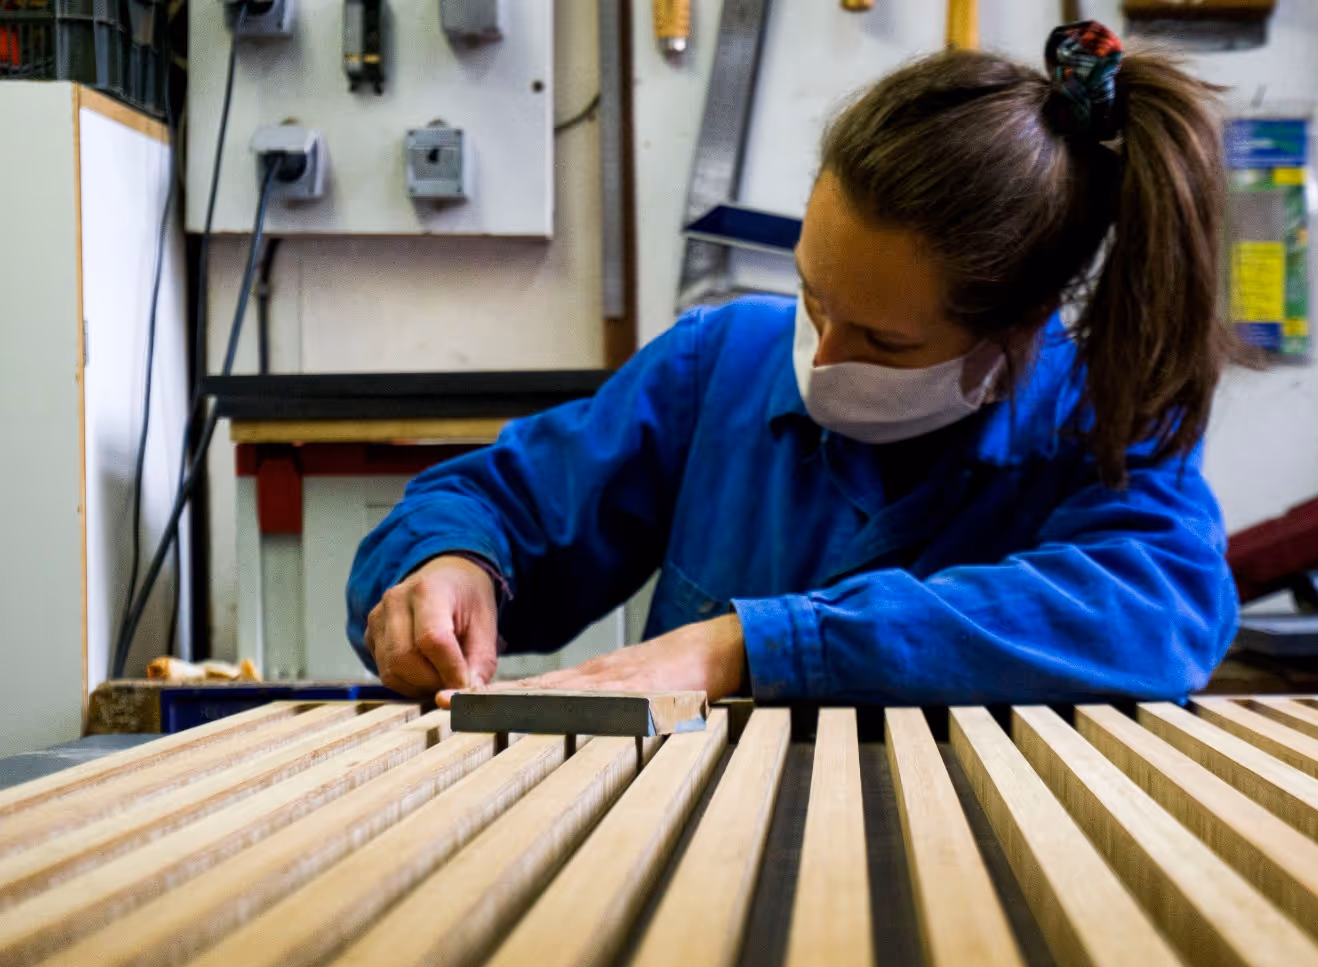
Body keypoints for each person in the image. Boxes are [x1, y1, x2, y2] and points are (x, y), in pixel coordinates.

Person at [348, 22, 1247, 709]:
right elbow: (490, 503)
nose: (823, 356)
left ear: (1018, 328)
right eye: (814, 297)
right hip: (703, 858)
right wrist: (454, 562)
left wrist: (749, 647)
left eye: (886, 342)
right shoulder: (719, 366)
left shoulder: (1101, 420)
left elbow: (1158, 607)